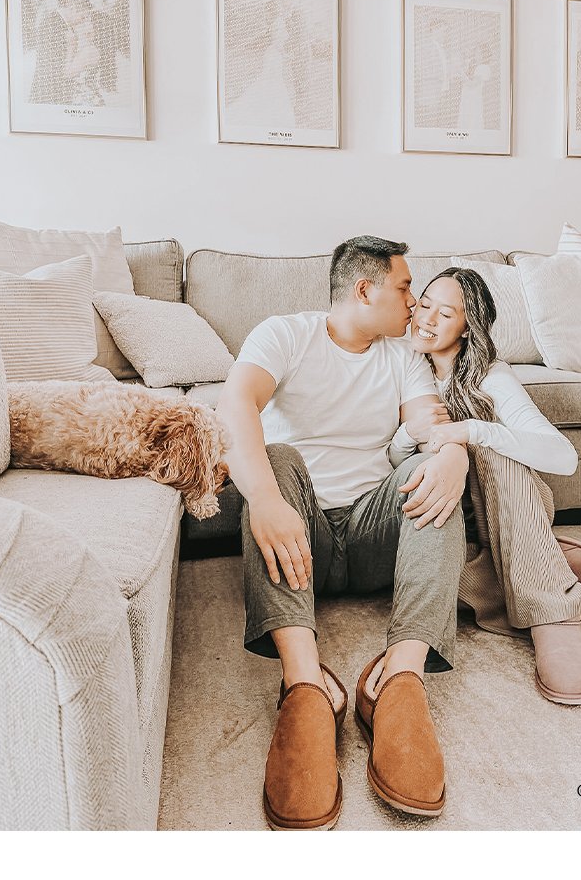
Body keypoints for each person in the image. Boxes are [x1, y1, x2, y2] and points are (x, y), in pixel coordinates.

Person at [216, 237, 468, 830]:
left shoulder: (403, 357)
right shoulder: (284, 334)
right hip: (301, 536)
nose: (414, 303)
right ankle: (305, 684)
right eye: (405, 288)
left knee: (429, 468)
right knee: (274, 462)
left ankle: (399, 679)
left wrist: (453, 452)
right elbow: (235, 404)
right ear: (365, 288)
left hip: (370, 533)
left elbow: (427, 424)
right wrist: (267, 502)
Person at [388, 267, 581, 706]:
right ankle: (554, 558)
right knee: (435, 574)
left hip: (507, 502)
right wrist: (409, 434)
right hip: (453, 528)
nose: (426, 319)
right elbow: (389, 464)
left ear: (468, 329)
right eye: (424, 305)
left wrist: (474, 431)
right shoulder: (398, 365)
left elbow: (562, 455)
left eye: (445, 314)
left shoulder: (491, 377)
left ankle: (552, 612)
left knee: (491, 449)